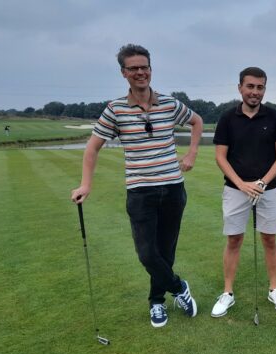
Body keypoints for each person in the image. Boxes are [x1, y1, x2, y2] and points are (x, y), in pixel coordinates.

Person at [71, 44, 203, 328]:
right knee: (146, 252)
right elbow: (93, 148)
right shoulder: (115, 109)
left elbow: (197, 121)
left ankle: (157, 303)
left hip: (173, 189)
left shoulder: (168, 103)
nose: (140, 72)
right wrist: (85, 184)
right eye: (133, 68)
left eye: (144, 67)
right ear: (124, 73)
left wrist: (191, 153)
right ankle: (179, 287)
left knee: (166, 251)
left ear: (151, 70)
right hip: (140, 191)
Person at [211, 67, 276, 317]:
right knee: (234, 239)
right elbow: (221, 158)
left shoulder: (275, 117)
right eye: (251, 86)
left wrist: (262, 183)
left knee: (269, 238)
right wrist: (242, 184)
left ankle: (274, 288)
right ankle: (227, 292)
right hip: (236, 189)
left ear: (264, 89)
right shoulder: (227, 118)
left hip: (268, 189)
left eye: (260, 87)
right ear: (240, 88)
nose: (255, 92)